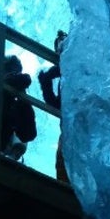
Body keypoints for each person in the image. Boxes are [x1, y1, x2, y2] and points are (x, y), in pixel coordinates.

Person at [38, 30, 68, 182]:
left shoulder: (75, 66)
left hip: (85, 124)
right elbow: (56, 104)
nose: (60, 48)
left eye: (63, 42)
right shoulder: (62, 76)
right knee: (63, 163)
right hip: (69, 128)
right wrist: (45, 82)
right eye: (58, 46)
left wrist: (48, 78)